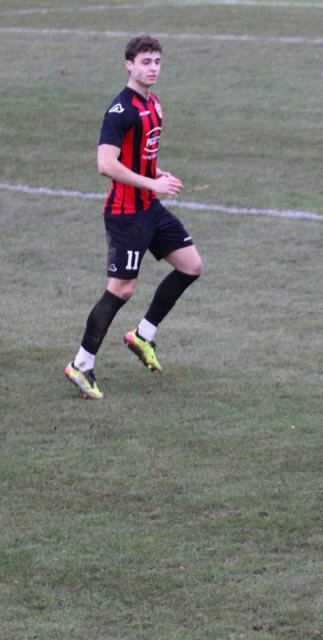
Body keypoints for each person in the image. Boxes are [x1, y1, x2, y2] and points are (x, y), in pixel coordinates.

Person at [64, 34, 203, 400]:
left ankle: (143, 335)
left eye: (156, 62)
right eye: (145, 62)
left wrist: (156, 175)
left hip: (149, 209)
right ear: (129, 65)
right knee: (121, 290)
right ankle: (81, 364)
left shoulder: (153, 104)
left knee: (191, 266)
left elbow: (138, 157)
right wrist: (152, 183)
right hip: (126, 214)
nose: (153, 68)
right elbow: (105, 164)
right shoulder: (121, 110)